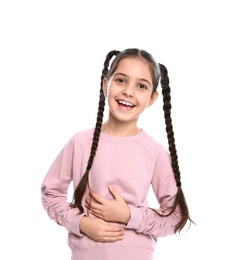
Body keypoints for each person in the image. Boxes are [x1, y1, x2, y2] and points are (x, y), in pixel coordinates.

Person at [41, 48, 193, 260]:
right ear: (106, 85)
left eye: (141, 86)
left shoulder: (155, 152)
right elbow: (51, 194)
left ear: (152, 98)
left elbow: (176, 216)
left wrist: (128, 215)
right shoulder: (80, 143)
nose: (129, 92)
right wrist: (81, 223)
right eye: (121, 80)